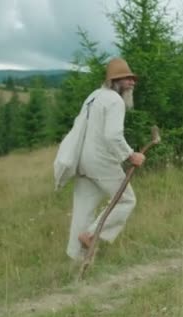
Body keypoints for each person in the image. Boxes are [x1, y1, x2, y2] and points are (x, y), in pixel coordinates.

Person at [66, 57, 145, 261]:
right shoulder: (115, 100)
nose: (132, 82)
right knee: (127, 200)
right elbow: (112, 136)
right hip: (100, 160)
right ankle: (90, 235)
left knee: (83, 211)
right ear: (115, 81)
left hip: (82, 160)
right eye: (127, 78)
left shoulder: (94, 96)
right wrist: (130, 155)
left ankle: (79, 261)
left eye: (132, 78)